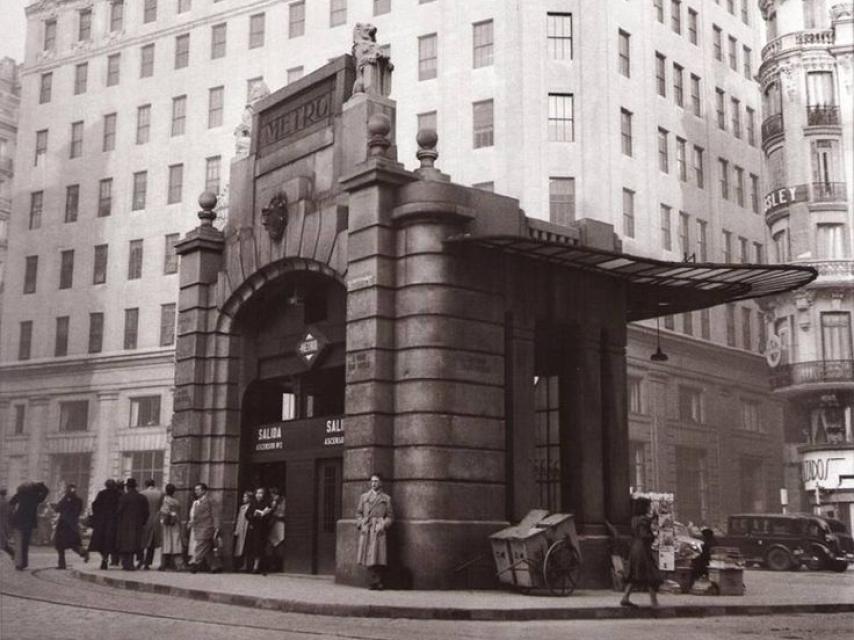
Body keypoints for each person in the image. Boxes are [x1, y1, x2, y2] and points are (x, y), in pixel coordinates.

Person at [621, 496, 662, 608]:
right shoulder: (644, 520)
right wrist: (653, 535)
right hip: (643, 549)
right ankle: (654, 602)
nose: (649, 507)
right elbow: (644, 535)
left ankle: (625, 597)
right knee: (650, 574)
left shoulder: (634, 519)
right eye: (648, 506)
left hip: (635, 547)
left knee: (634, 574)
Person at [355, 473, 393, 590]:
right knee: (368, 555)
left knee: (379, 556)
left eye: (376, 481)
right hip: (368, 529)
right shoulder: (364, 497)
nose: (373, 484)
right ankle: (373, 581)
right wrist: (361, 523)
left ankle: (379, 581)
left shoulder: (386, 499)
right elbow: (358, 513)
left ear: (380, 483)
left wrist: (383, 524)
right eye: (372, 481)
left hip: (378, 530)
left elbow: (390, 516)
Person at [9, 482, 49, 570]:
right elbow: (46, 491)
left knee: (18, 543)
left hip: (18, 521)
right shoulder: (35, 497)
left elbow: (11, 503)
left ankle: (19, 564)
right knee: (25, 544)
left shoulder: (20, 494)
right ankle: (24, 563)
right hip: (29, 522)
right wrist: (40, 485)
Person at [52, 484, 89, 569]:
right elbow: (79, 511)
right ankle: (83, 552)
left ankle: (62, 564)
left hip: (63, 525)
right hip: (73, 525)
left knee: (60, 545)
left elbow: (57, 508)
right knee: (73, 544)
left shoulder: (65, 499)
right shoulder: (79, 500)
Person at [187, 482, 221, 573]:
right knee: (208, 548)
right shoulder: (197, 502)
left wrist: (217, 527)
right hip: (198, 527)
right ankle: (215, 566)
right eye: (195, 490)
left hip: (207, 527)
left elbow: (215, 515)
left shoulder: (210, 501)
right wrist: (191, 523)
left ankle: (194, 562)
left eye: (198, 489)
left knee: (201, 545)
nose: (196, 491)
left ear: (204, 491)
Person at [116, 478, 149, 571]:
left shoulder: (124, 497)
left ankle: (127, 563)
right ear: (135, 486)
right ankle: (134, 562)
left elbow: (119, 511)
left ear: (127, 487)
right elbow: (146, 512)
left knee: (126, 543)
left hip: (125, 524)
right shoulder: (142, 497)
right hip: (138, 524)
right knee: (136, 543)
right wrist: (143, 522)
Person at [88, 479, 121, 570]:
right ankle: (109, 559)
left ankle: (104, 558)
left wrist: (98, 515)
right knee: (110, 542)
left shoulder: (102, 494)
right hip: (113, 522)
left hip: (102, 522)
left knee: (101, 542)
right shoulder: (118, 494)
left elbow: (95, 505)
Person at [244, 487, 271, 574]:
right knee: (250, 546)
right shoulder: (253, 503)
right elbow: (247, 514)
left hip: (262, 528)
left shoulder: (266, 504)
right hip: (253, 527)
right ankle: (249, 565)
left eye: (261, 493)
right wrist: (253, 515)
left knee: (259, 547)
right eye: (257, 493)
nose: (259, 495)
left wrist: (263, 514)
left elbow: (269, 516)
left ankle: (257, 566)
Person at [159, 483, 183, 571]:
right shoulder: (176, 501)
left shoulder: (165, 500)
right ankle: (179, 564)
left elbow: (164, 512)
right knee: (176, 543)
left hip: (167, 524)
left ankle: (164, 564)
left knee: (166, 543)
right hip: (175, 523)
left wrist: (162, 520)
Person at [139, 479, 163, 569]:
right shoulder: (160, 493)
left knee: (142, 542)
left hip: (144, 520)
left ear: (146, 484)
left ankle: (140, 560)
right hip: (155, 519)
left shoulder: (142, 493)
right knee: (151, 543)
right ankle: (147, 563)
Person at [266, 486, 286, 572]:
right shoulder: (272, 502)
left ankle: (279, 565)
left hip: (280, 524)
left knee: (279, 544)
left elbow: (282, 513)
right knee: (270, 545)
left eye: (274, 495)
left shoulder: (283, 502)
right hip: (272, 525)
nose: (273, 497)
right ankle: (271, 565)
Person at [232, 490, 252, 571]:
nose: (244, 498)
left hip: (247, 528)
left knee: (247, 546)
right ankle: (242, 564)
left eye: (245, 497)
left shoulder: (251, 507)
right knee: (240, 547)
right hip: (241, 528)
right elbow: (239, 519)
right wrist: (237, 530)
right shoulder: (242, 507)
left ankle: (247, 564)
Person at [0, 488, 13, 558]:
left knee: (3, 542)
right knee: (3, 540)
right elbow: (10, 513)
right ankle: (13, 554)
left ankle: (13, 554)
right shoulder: (7, 502)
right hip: (4, 522)